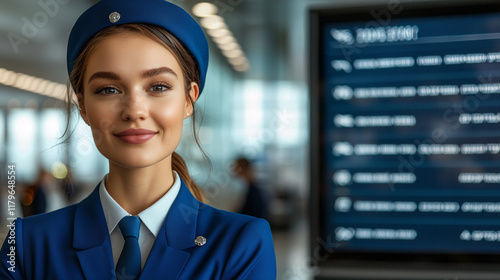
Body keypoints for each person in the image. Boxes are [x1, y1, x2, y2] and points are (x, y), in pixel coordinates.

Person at [0, 0, 276, 279]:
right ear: (82, 106)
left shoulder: (242, 244)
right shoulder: (27, 245)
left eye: (158, 87)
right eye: (108, 89)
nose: (134, 110)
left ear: (188, 100)